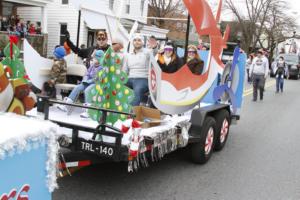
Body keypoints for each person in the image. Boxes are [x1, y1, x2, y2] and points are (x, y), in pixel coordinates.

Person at [58, 50, 104, 116]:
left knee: (87, 90)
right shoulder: (92, 66)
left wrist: (89, 81)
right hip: (87, 82)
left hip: (95, 84)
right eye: (93, 58)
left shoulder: (101, 68)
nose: (93, 60)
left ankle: (88, 110)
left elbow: (97, 78)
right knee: (77, 87)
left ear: (99, 59)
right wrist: (84, 80)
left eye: (95, 58)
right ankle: (66, 105)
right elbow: (87, 74)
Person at [122, 33, 151, 106]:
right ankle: (118, 109)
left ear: (142, 42)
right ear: (132, 42)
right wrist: (120, 80)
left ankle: (131, 112)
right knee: (118, 87)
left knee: (137, 90)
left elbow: (154, 54)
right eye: (135, 40)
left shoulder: (147, 53)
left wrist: (154, 48)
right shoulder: (128, 55)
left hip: (143, 78)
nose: (137, 42)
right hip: (130, 78)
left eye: (139, 40)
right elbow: (125, 70)